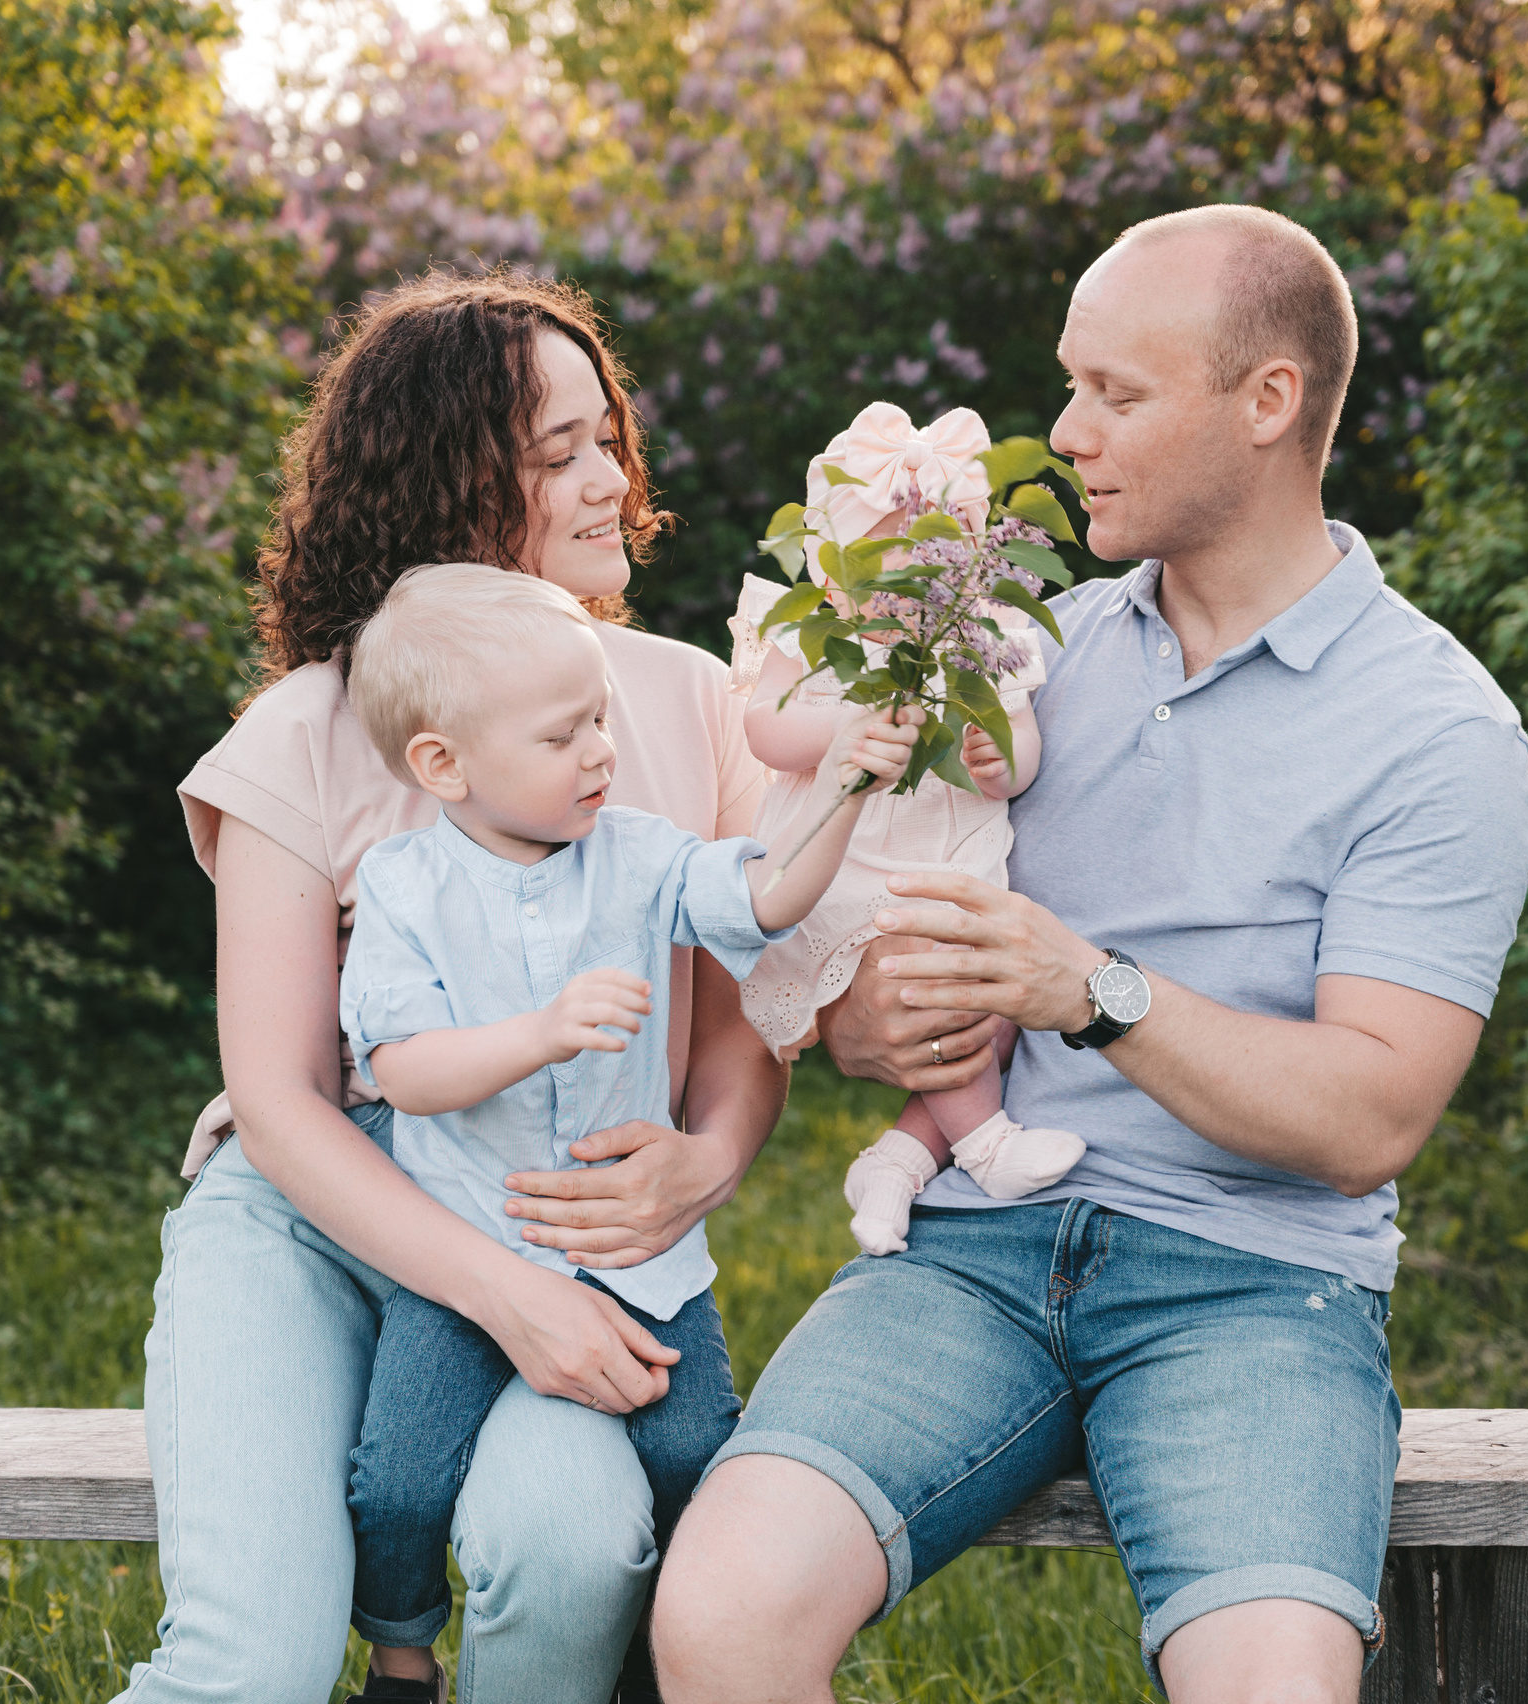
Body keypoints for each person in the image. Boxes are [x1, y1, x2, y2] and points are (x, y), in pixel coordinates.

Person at [652, 204, 1528, 1704]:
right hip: (973, 1258)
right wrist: (870, 1019)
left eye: (1116, 394)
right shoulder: (1023, 652)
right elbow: (866, 930)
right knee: (722, 1620)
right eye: (1070, 386)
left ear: (1268, 404)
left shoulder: (1440, 732)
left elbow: (1368, 1119)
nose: (1064, 432)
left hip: (1257, 1288)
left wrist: (1095, 993)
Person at [115, 272, 785, 1704]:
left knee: (569, 1548)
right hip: (315, 1219)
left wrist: (702, 1163)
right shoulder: (306, 730)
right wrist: (503, 1299)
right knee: (255, 1665)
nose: (611, 479)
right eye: (559, 456)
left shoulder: (690, 701)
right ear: (451, 485)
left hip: (561, 1219)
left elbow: (738, 1035)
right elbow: (280, 1099)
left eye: (608, 438)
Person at [335, 565, 917, 1701]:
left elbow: (764, 901)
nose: (602, 750)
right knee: (398, 1479)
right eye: (563, 735)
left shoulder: (641, 856)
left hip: (633, 1261)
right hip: (471, 1254)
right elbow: (402, 1072)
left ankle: (664, 1662)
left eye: (601, 718)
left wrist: (846, 785)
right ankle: (402, 1661)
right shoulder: (403, 888)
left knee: (697, 1449)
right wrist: (542, 1031)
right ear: (442, 764)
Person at [726, 401, 1082, 1257]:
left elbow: (1019, 726)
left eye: (930, 560)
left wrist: (1005, 760)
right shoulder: (815, 631)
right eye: (881, 560)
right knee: (942, 998)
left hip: (954, 850)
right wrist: (843, 731)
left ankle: (899, 1160)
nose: (906, 586)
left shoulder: (983, 631)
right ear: (831, 562)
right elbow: (766, 731)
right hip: (854, 862)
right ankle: (985, 1145)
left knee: (992, 1016)